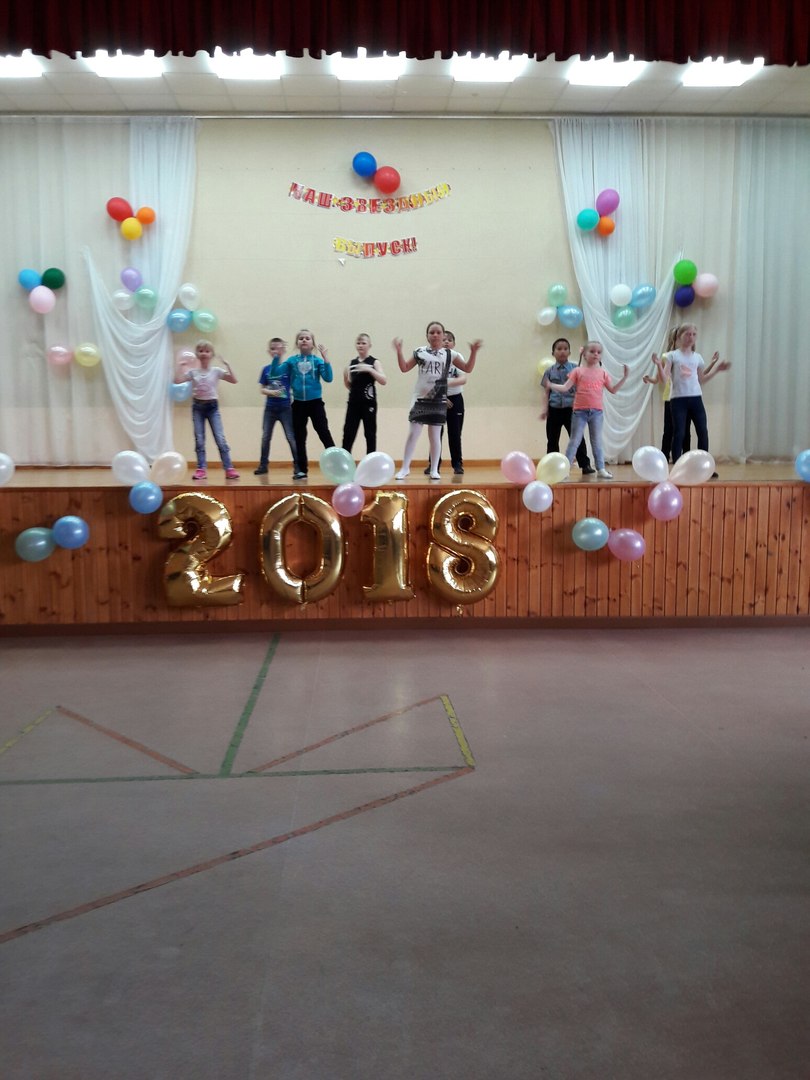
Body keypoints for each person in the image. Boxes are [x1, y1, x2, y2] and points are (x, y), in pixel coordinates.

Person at [392, 321, 481, 480]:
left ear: (443, 335)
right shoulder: (419, 352)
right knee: (413, 434)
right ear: (427, 336)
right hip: (420, 399)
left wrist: (473, 352)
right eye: (431, 332)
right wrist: (399, 352)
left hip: (438, 400)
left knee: (434, 436)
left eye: (438, 332)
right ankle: (405, 468)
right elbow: (404, 368)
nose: (435, 335)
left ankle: (434, 469)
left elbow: (467, 368)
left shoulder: (450, 354)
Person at [653, 322, 731, 473]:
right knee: (679, 433)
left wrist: (716, 370)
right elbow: (664, 378)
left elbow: (702, 379)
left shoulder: (698, 358)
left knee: (703, 432)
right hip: (678, 400)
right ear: (679, 336)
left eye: (694, 334)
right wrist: (658, 365)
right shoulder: (672, 356)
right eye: (687, 334)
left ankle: (705, 467)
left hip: (696, 399)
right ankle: (677, 467)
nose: (691, 337)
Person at [554, 341, 629, 480]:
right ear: (584, 354)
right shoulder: (578, 371)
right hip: (579, 412)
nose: (596, 354)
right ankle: (565, 470)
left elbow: (613, 390)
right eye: (592, 351)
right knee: (574, 441)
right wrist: (551, 385)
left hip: (596, 413)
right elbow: (565, 387)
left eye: (599, 352)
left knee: (597, 442)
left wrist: (624, 377)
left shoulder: (603, 373)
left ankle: (601, 469)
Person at [271, 329, 335, 478]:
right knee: (300, 437)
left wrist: (326, 360)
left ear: (312, 344)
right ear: (297, 343)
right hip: (299, 405)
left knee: (323, 432)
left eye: (307, 338)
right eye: (301, 338)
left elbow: (328, 378)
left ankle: (336, 464)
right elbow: (274, 373)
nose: (304, 340)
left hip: (315, 403)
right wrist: (277, 357)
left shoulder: (317, 361)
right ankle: (302, 470)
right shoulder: (292, 361)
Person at [176, 339, 239, 481]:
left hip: (212, 408)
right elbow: (177, 380)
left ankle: (229, 468)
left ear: (211, 354)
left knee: (220, 438)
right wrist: (181, 367)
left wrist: (228, 365)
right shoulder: (193, 372)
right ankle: (201, 469)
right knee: (199, 439)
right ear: (197, 354)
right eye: (201, 351)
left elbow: (234, 380)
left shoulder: (216, 371)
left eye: (207, 351)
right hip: (198, 408)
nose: (204, 353)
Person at [539, 337, 595, 475]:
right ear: (553, 353)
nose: (562, 351)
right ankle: (552, 466)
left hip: (572, 410)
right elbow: (546, 392)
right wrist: (545, 409)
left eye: (565, 349)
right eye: (559, 349)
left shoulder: (575, 369)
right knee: (552, 439)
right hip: (554, 410)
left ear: (569, 352)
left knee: (577, 438)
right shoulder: (549, 371)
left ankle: (585, 465)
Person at [254, 337, 305, 479]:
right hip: (270, 409)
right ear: (269, 351)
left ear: (283, 350)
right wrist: (271, 392)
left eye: (278, 348)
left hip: (285, 408)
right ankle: (263, 465)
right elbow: (262, 389)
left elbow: (295, 383)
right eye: (272, 348)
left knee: (291, 437)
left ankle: (298, 467)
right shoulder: (266, 369)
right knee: (266, 437)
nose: (275, 351)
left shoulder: (288, 368)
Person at [423, 329, 467, 476]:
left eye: (450, 340)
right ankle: (433, 465)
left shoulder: (457, 358)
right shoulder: (433, 359)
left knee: (455, 434)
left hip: (455, 400)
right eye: (444, 339)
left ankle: (457, 464)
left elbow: (462, 378)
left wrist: (446, 385)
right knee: (435, 435)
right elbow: (428, 381)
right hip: (437, 399)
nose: (446, 342)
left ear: (454, 344)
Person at [341, 333, 387, 456]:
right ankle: (345, 461)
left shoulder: (374, 362)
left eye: (363, 343)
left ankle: (370, 462)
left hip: (368, 404)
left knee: (370, 433)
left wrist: (370, 369)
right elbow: (350, 386)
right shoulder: (352, 363)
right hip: (353, 404)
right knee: (348, 433)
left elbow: (383, 380)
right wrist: (345, 377)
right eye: (358, 343)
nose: (360, 345)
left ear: (369, 345)